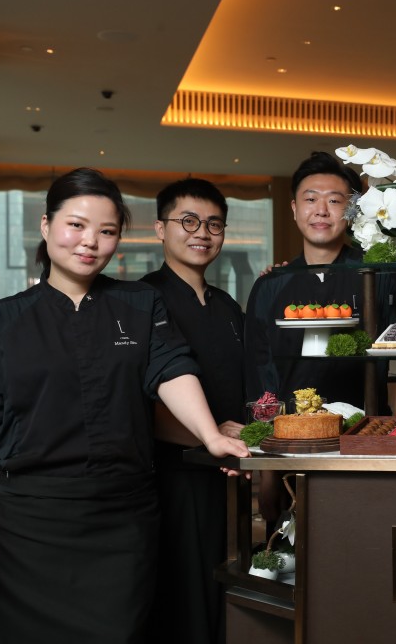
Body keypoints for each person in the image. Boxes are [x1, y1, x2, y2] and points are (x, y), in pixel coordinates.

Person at [0, 167, 248, 643]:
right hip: (26, 523)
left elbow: (171, 369)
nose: (90, 241)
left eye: (107, 231)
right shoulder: (1, 321)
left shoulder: (139, 303)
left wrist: (211, 435)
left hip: (121, 520)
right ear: (47, 226)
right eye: (76, 225)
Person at [243, 151, 396, 526]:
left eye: (335, 200)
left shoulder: (378, 274)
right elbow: (258, 371)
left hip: (367, 437)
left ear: (352, 210)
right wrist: (266, 465)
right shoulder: (269, 285)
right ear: (294, 208)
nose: (321, 210)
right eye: (310, 199)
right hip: (291, 446)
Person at [141, 178, 245, 644]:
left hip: (229, 468)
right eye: (188, 221)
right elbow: (139, 395)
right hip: (172, 472)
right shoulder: (140, 299)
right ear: (160, 229)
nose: (201, 232)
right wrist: (206, 437)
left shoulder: (226, 305)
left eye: (214, 224)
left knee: (226, 575)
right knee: (180, 589)